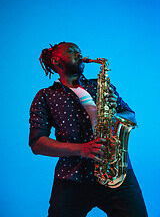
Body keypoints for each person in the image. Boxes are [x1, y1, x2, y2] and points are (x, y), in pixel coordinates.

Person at [29, 42, 148, 217]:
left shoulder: (101, 86)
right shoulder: (45, 96)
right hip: (72, 177)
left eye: (80, 51)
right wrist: (81, 149)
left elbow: (130, 116)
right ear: (56, 61)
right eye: (72, 51)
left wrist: (114, 113)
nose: (79, 54)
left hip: (116, 171)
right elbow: (37, 144)